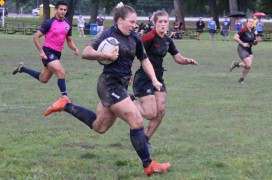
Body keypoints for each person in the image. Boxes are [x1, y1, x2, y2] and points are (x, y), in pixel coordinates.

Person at [43, 2, 170, 176]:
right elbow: (86, 52)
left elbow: (144, 60)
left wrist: (154, 80)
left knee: (99, 126)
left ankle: (65, 105)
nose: (135, 25)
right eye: (131, 22)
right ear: (119, 20)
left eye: (135, 22)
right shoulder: (108, 34)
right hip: (109, 83)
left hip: (122, 84)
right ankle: (149, 165)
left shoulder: (135, 38)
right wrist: (105, 55)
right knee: (136, 120)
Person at [132, 10, 198, 146]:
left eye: (165, 22)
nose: (163, 24)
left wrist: (187, 60)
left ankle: (145, 140)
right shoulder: (148, 37)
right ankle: (127, 100)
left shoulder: (167, 41)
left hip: (159, 77)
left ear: (168, 23)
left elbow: (177, 57)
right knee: (150, 113)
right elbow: (133, 54)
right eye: (160, 22)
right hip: (144, 78)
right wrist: (128, 73)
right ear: (155, 23)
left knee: (160, 111)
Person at [12, 1, 79, 115]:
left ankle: (22, 69)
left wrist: (74, 48)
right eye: (61, 9)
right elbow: (36, 37)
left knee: (43, 79)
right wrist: (41, 52)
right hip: (47, 52)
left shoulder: (67, 24)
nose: (63, 11)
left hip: (57, 54)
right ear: (56, 10)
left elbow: (69, 40)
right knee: (61, 72)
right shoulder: (49, 23)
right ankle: (65, 97)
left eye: (64, 10)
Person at [229, 18, 259, 84]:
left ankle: (241, 79)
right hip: (242, 48)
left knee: (248, 66)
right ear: (247, 23)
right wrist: (243, 43)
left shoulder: (253, 30)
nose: (251, 23)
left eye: (252, 22)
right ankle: (236, 65)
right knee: (248, 65)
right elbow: (235, 37)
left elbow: (255, 43)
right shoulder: (244, 29)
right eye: (250, 22)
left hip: (249, 49)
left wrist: (256, 41)